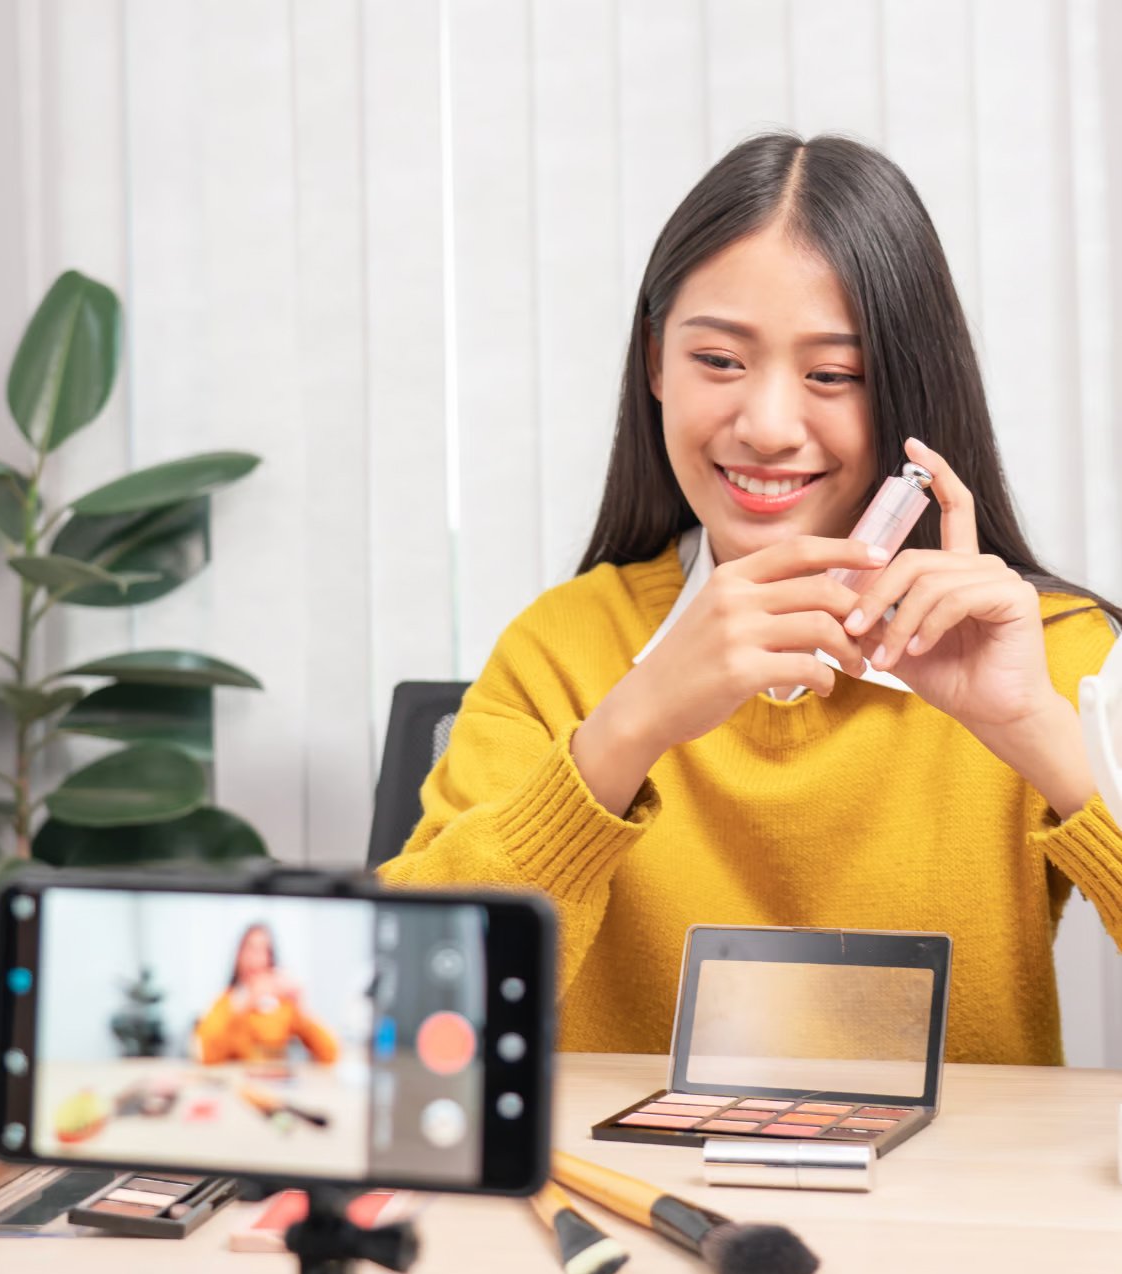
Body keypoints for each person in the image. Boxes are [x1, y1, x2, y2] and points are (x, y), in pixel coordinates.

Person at [378, 132, 1122, 1065]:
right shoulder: (564, 647)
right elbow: (405, 1008)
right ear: (656, 365)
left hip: (954, 1204)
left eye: (833, 376)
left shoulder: (1042, 651)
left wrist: (1042, 738)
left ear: (906, 388)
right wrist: (625, 732)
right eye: (720, 362)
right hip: (642, 1204)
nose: (767, 426)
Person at [195, 923, 339, 1065]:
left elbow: (330, 1054)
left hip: (275, 1085)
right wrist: (241, 1004)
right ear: (238, 956)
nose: (255, 959)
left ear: (270, 959)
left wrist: (302, 1005)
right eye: (250, 949)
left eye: (264, 950)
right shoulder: (227, 1002)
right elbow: (205, 1055)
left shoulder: (283, 1005)